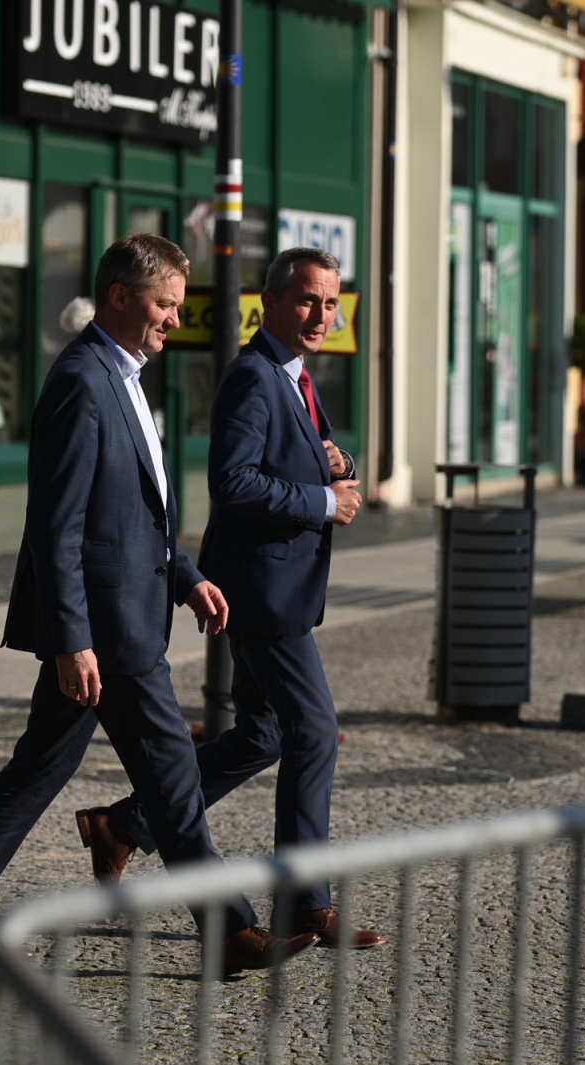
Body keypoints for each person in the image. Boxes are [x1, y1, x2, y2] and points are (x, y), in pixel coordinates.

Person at [0, 234, 319, 978]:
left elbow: (138, 515)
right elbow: (56, 526)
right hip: (107, 633)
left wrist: (186, 574)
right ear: (122, 298)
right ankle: (228, 928)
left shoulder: (124, 374)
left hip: (121, 616)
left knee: (38, 768)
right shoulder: (82, 379)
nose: (174, 320)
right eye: (164, 305)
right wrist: (72, 640)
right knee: (172, 779)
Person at [75, 247, 384, 952]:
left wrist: (339, 462)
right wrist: (319, 501)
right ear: (270, 303)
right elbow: (234, 481)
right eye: (307, 300)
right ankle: (306, 903)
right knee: (312, 731)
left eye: (331, 303)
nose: (321, 315)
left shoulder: (298, 375)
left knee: (264, 733)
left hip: (279, 588)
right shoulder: (252, 376)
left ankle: (125, 824)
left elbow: (309, 450)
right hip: (259, 591)